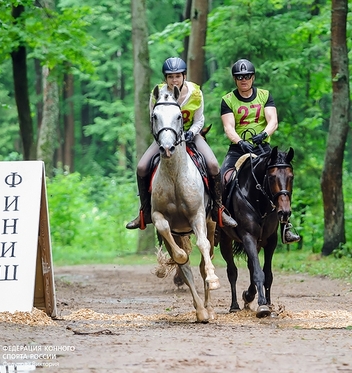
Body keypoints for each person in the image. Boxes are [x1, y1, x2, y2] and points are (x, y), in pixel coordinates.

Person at [126, 57, 237, 230]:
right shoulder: (157, 95)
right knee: (141, 167)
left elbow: (200, 120)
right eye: (170, 77)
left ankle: (218, 209)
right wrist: (163, 137)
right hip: (166, 139)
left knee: (214, 165)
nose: (174, 80)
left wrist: (191, 132)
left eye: (177, 76)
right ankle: (145, 211)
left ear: (184, 76)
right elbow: (153, 120)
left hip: (191, 135)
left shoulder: (195, 93)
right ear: (165, 78)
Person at [220, 58, 300, 243]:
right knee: (222, 176)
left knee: (281, 178)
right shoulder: (228, 100)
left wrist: (263, 134)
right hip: (238, 149)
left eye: (247, 76)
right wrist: (240, 141)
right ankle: (220, 219)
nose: (244, 80)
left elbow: (273, 120)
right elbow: (228, 127)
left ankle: (286, 226)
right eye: (239, 77)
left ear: (253, 77)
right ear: (235, 79)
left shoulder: (264, 95)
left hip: (263, 148)